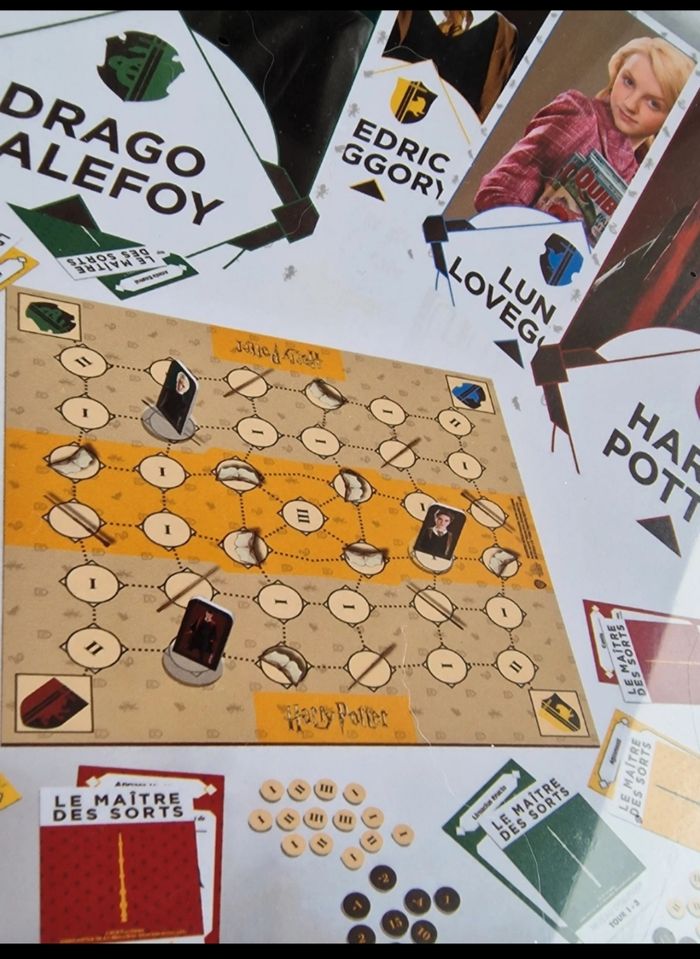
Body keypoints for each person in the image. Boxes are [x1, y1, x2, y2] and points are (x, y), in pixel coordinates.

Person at [474, 36, 694, 223]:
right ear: (616, 72)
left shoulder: (642, 177)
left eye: (653, 103)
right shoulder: (580, 116)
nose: (630, 104)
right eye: (628, 82)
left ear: (671, 118)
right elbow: (497, 190)